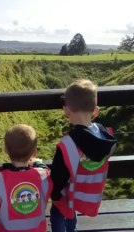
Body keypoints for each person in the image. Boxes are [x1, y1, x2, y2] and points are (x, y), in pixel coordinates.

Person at [50, 79, 117, 232]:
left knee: (59, 213)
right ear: (95, 111)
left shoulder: (68, 143)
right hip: (88, 191)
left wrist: (54, 195)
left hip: (69, 192)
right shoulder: (105, 135)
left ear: (66, 110)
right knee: (71, 211)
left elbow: (58, 176)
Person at [0, 124, 52, 232]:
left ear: (5, 150)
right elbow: (46, 170)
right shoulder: (43, 176)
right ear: (34, 152)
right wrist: (37, 163)